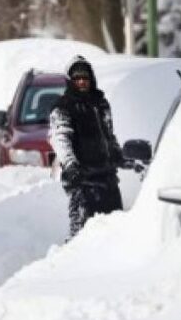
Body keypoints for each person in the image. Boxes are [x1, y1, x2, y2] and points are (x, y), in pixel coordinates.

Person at [48, 55, 124, 240]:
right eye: (77, 78)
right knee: (83, 238)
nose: (82, 82)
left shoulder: (100, 103)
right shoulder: (63, 108)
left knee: (118, 233)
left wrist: (117, 153)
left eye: (85, 78)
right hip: (82, 181)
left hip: (108, 178)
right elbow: (60, 138)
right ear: (70, 81)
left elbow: (108, 134)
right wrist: (71, 164)